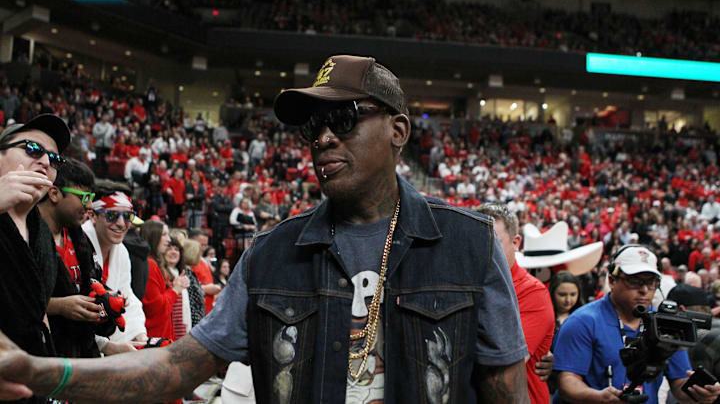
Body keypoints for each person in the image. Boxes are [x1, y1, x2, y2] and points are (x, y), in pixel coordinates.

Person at [0, 55, 528, 403]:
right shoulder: (273, 254)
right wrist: (41, 370)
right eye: (312, 126)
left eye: (342, 119)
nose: (322, 137)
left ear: (398, 130)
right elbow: (176, 368)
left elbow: (504, 390)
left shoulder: (468, 244)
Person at [553, 245, 720, 404]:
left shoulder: (666, 323)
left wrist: (700, 392)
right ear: (612, 280)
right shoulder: (583, 321)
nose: (644, 290)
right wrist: (601, 398)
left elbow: (679, 384)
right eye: (635, 281)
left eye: (652, 282)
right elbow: (567, 383)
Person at [0, 114, 70, 404]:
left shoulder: (40, 230)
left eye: (55, 159)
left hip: (33, 383)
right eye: (32, 149)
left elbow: (38, 312)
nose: (45, 162)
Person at [40, 159, 134, 358]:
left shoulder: (79, 239)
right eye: (84, 197)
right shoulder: (24, 235)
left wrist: (106, 303)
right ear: (54, 193)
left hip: (80, 356)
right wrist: (58, 306)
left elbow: (91, 287)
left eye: (91, 197)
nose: (90, 205)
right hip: (40, 360)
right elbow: (12, 300)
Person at [478, 202, 556, 404]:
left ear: (516, 242)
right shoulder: (465, 284)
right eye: (475, 241)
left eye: (493, 242)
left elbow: (504, 364)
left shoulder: (532, 293)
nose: (481, 250)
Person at [82, 187, 149, 346]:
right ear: (92, 216)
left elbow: (128, 297)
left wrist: (141, 337)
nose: (121, 224)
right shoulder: (77, 244)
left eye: (127, 216)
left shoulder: (122, 251)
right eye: (111, 215)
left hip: (107, 343)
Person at [140, 220, 189, 341]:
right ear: (153, 236)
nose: (168, 239)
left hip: (162, 334)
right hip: (156, 337)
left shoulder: (155, 263)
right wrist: (175, 289)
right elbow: (156, 308)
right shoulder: (150, 264)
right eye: (164, 234)